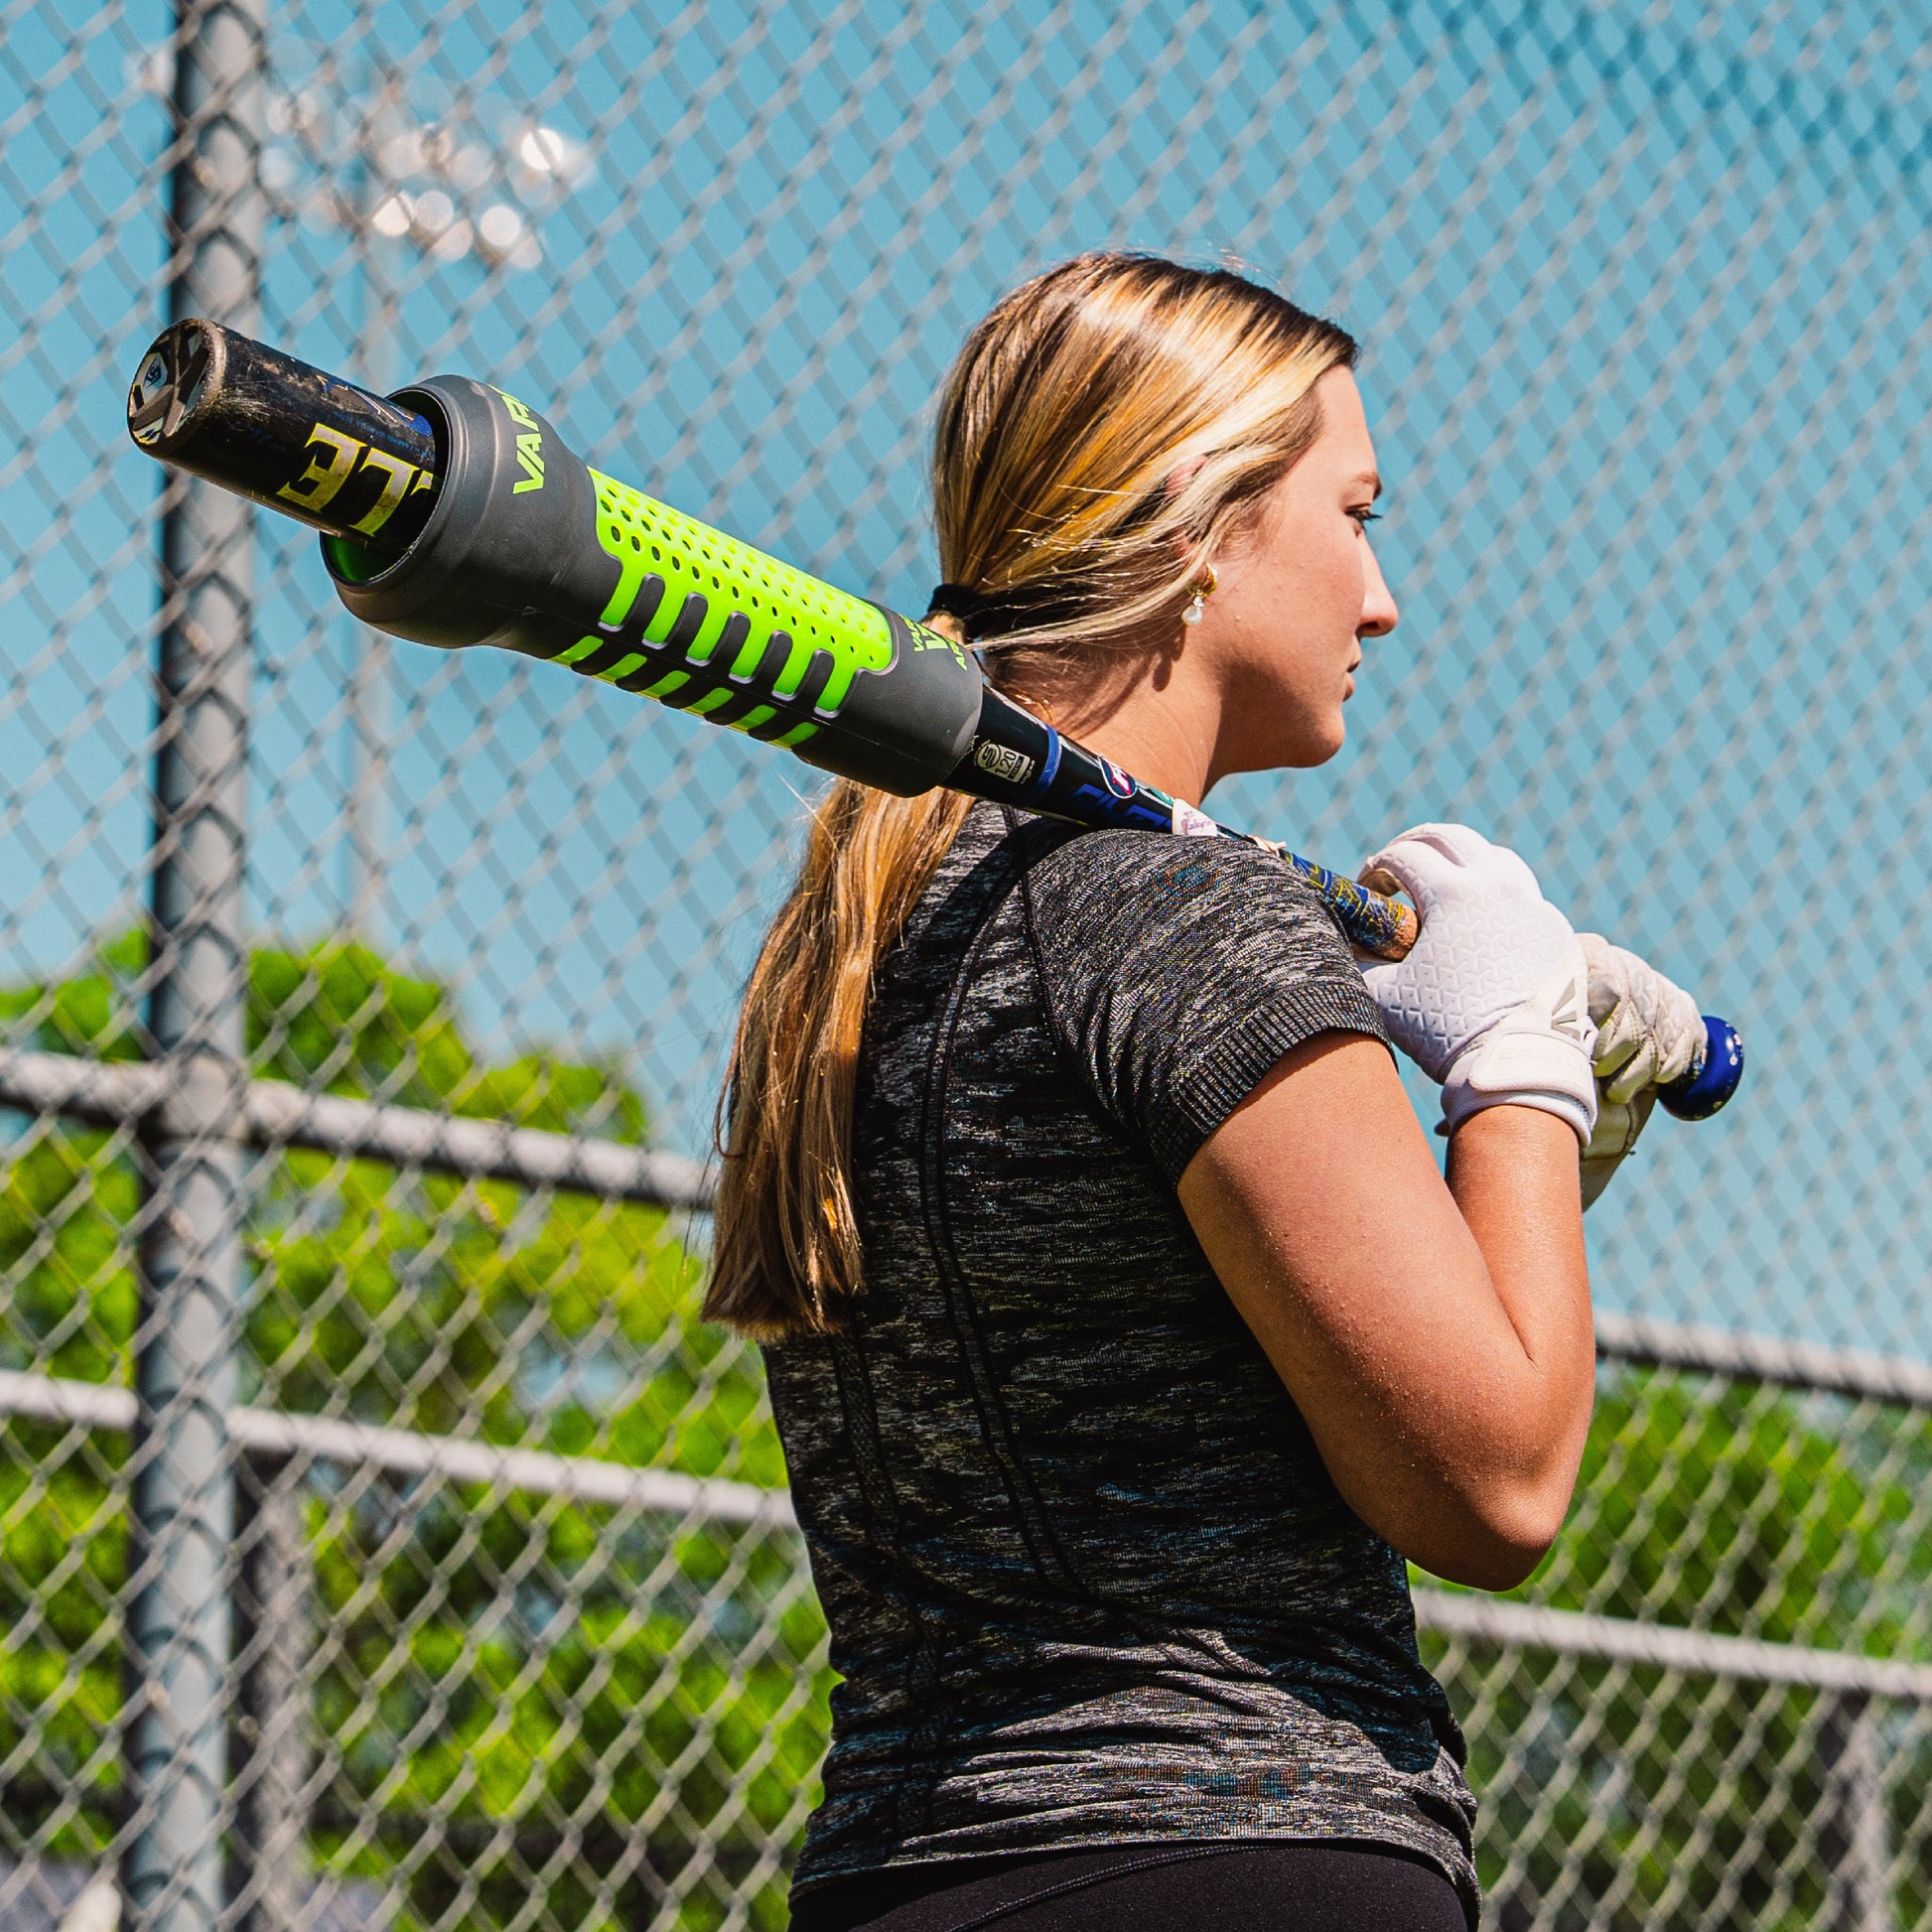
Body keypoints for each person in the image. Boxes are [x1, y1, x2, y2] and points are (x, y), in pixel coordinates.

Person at [705, 253, 1704, 1932]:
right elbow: (1494, 1478)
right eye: (1357, 511)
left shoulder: (871, 923)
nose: (1380, 597)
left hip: (902, 1874)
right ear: (1198, 522)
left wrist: (1533, 1140)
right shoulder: (1185, 914)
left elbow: (1247, 1345)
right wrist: (1517, 1063)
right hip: (1237, 1860)